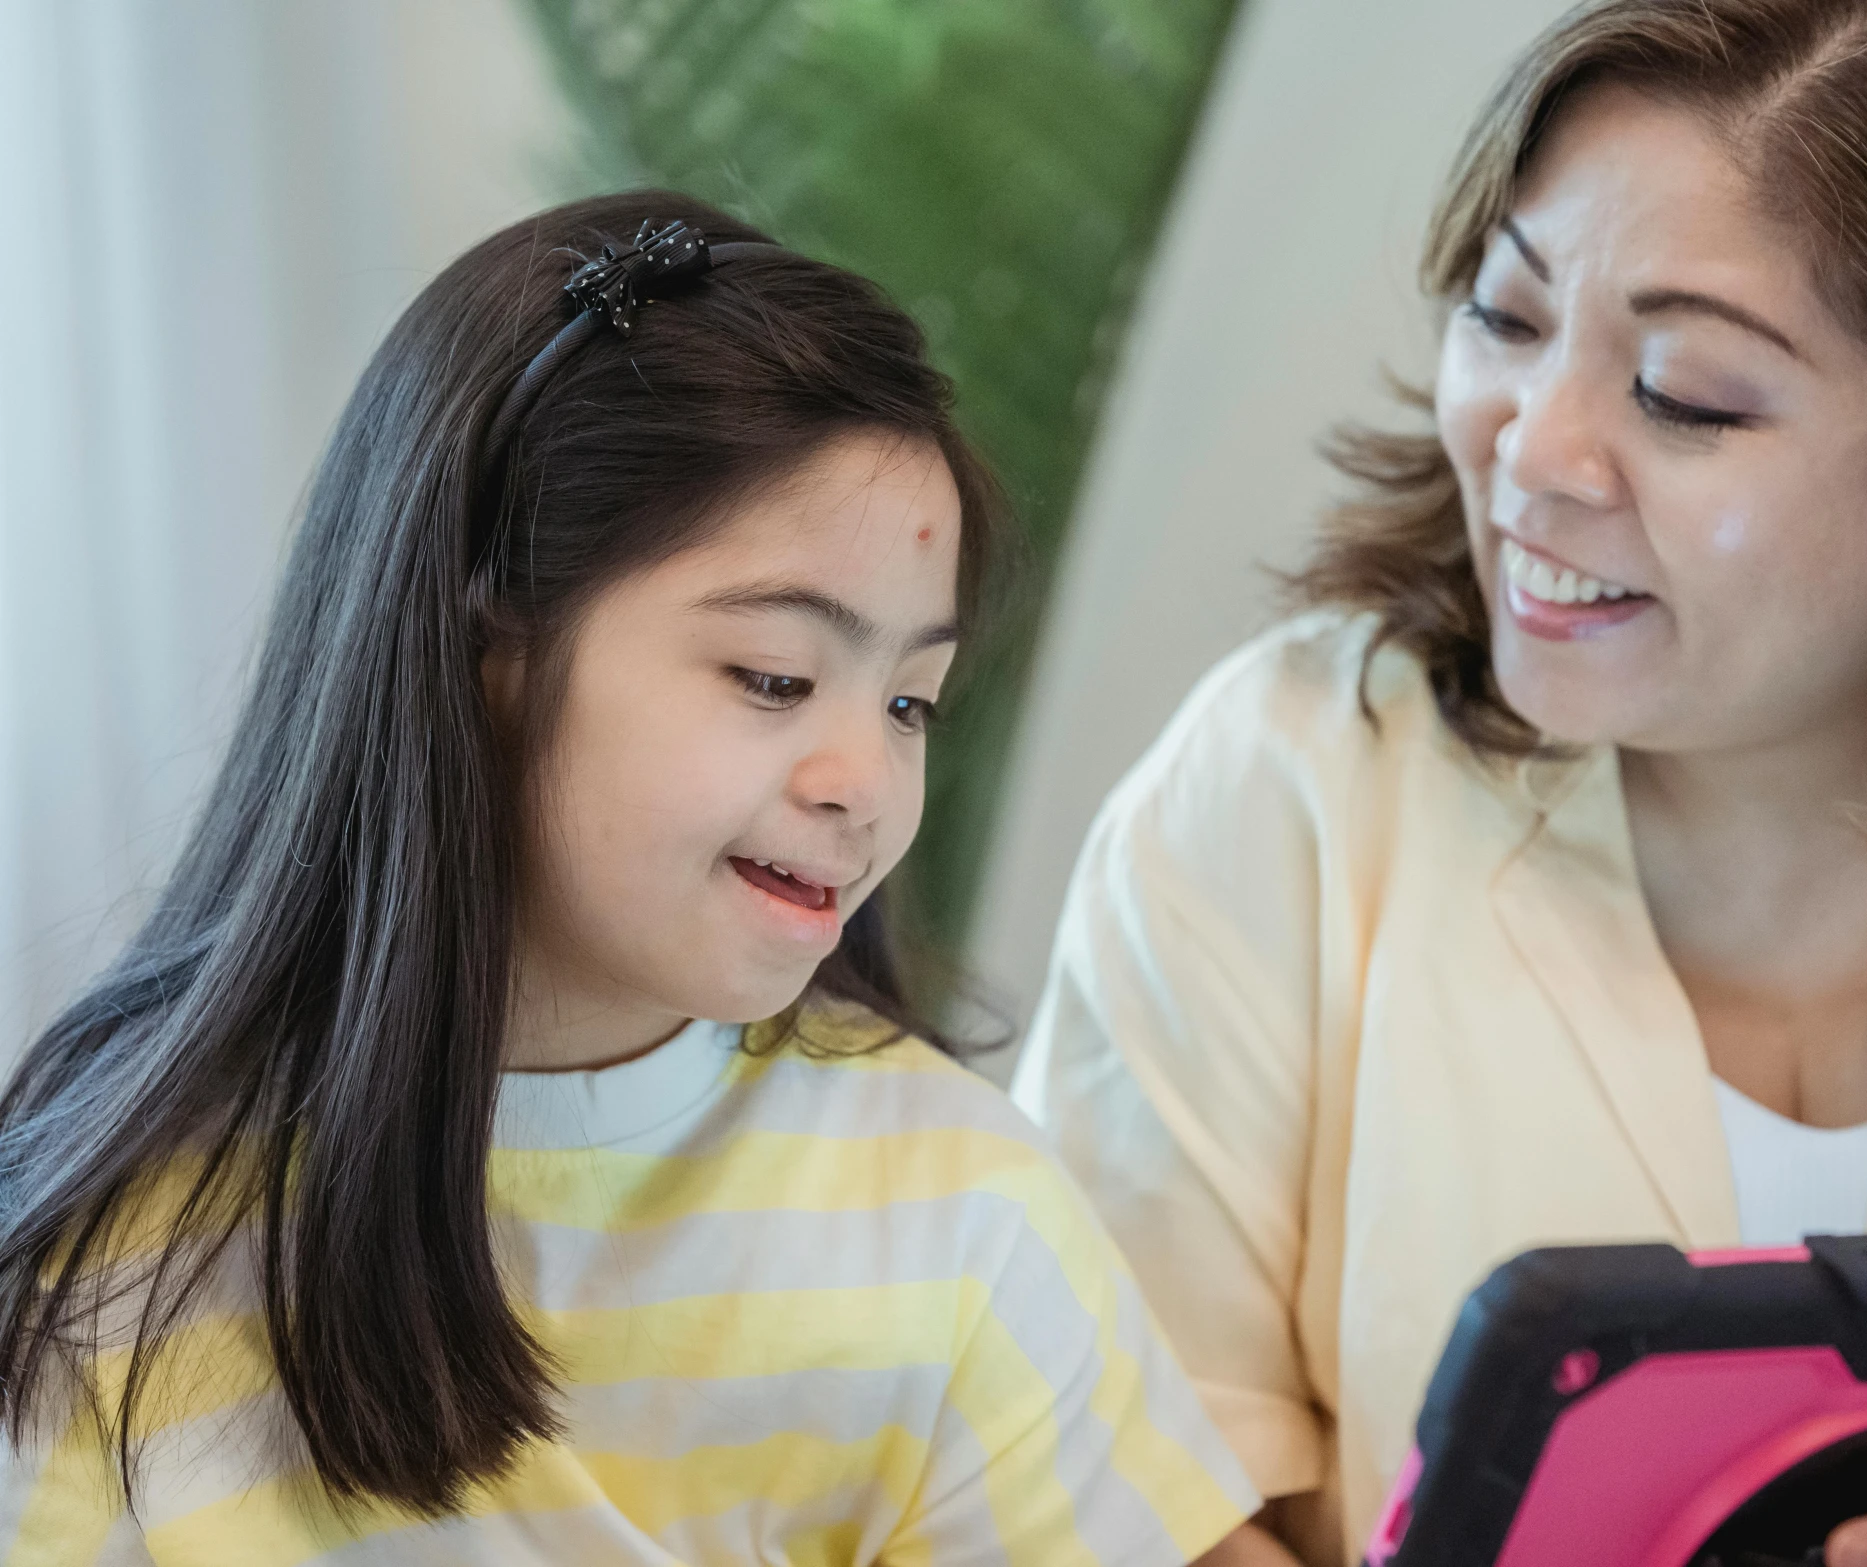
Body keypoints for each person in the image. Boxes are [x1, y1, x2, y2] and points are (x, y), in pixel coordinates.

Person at [1012, 1, 1867, 1563]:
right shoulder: (1285, 782)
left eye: (1685, 395)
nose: (1532, 453)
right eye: (1504, 320)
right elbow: (1094, 1482)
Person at [0, 193, 1258, 1565]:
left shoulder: (958, 1220)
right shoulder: (117, 1260)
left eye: (911, 703)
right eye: (775, 677)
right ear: (487, 650)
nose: (863, 779)